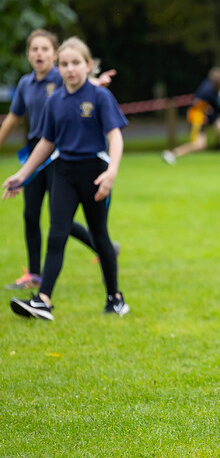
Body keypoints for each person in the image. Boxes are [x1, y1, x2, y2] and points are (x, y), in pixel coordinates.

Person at [3, 37, 129, 320]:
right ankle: (43, 301)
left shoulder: (99, 97)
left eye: (76, 63)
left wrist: (111, 172)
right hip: (64, 172)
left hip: (95, 173)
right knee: (57, 234)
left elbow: (115, 136)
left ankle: (115, 298)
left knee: (99, 235)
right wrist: (23, 175)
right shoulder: (54, 101)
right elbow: (46, 142)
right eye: (65, 64)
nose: (70, 69)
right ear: (58, 68)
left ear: (88, 65)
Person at [162, 67, 220, 164]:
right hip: (199, 117)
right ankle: (172, 154)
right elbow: (218, 108)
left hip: (208, 114)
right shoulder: (208, 93)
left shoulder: (212, 85)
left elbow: (217, 99)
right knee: (199, 144)